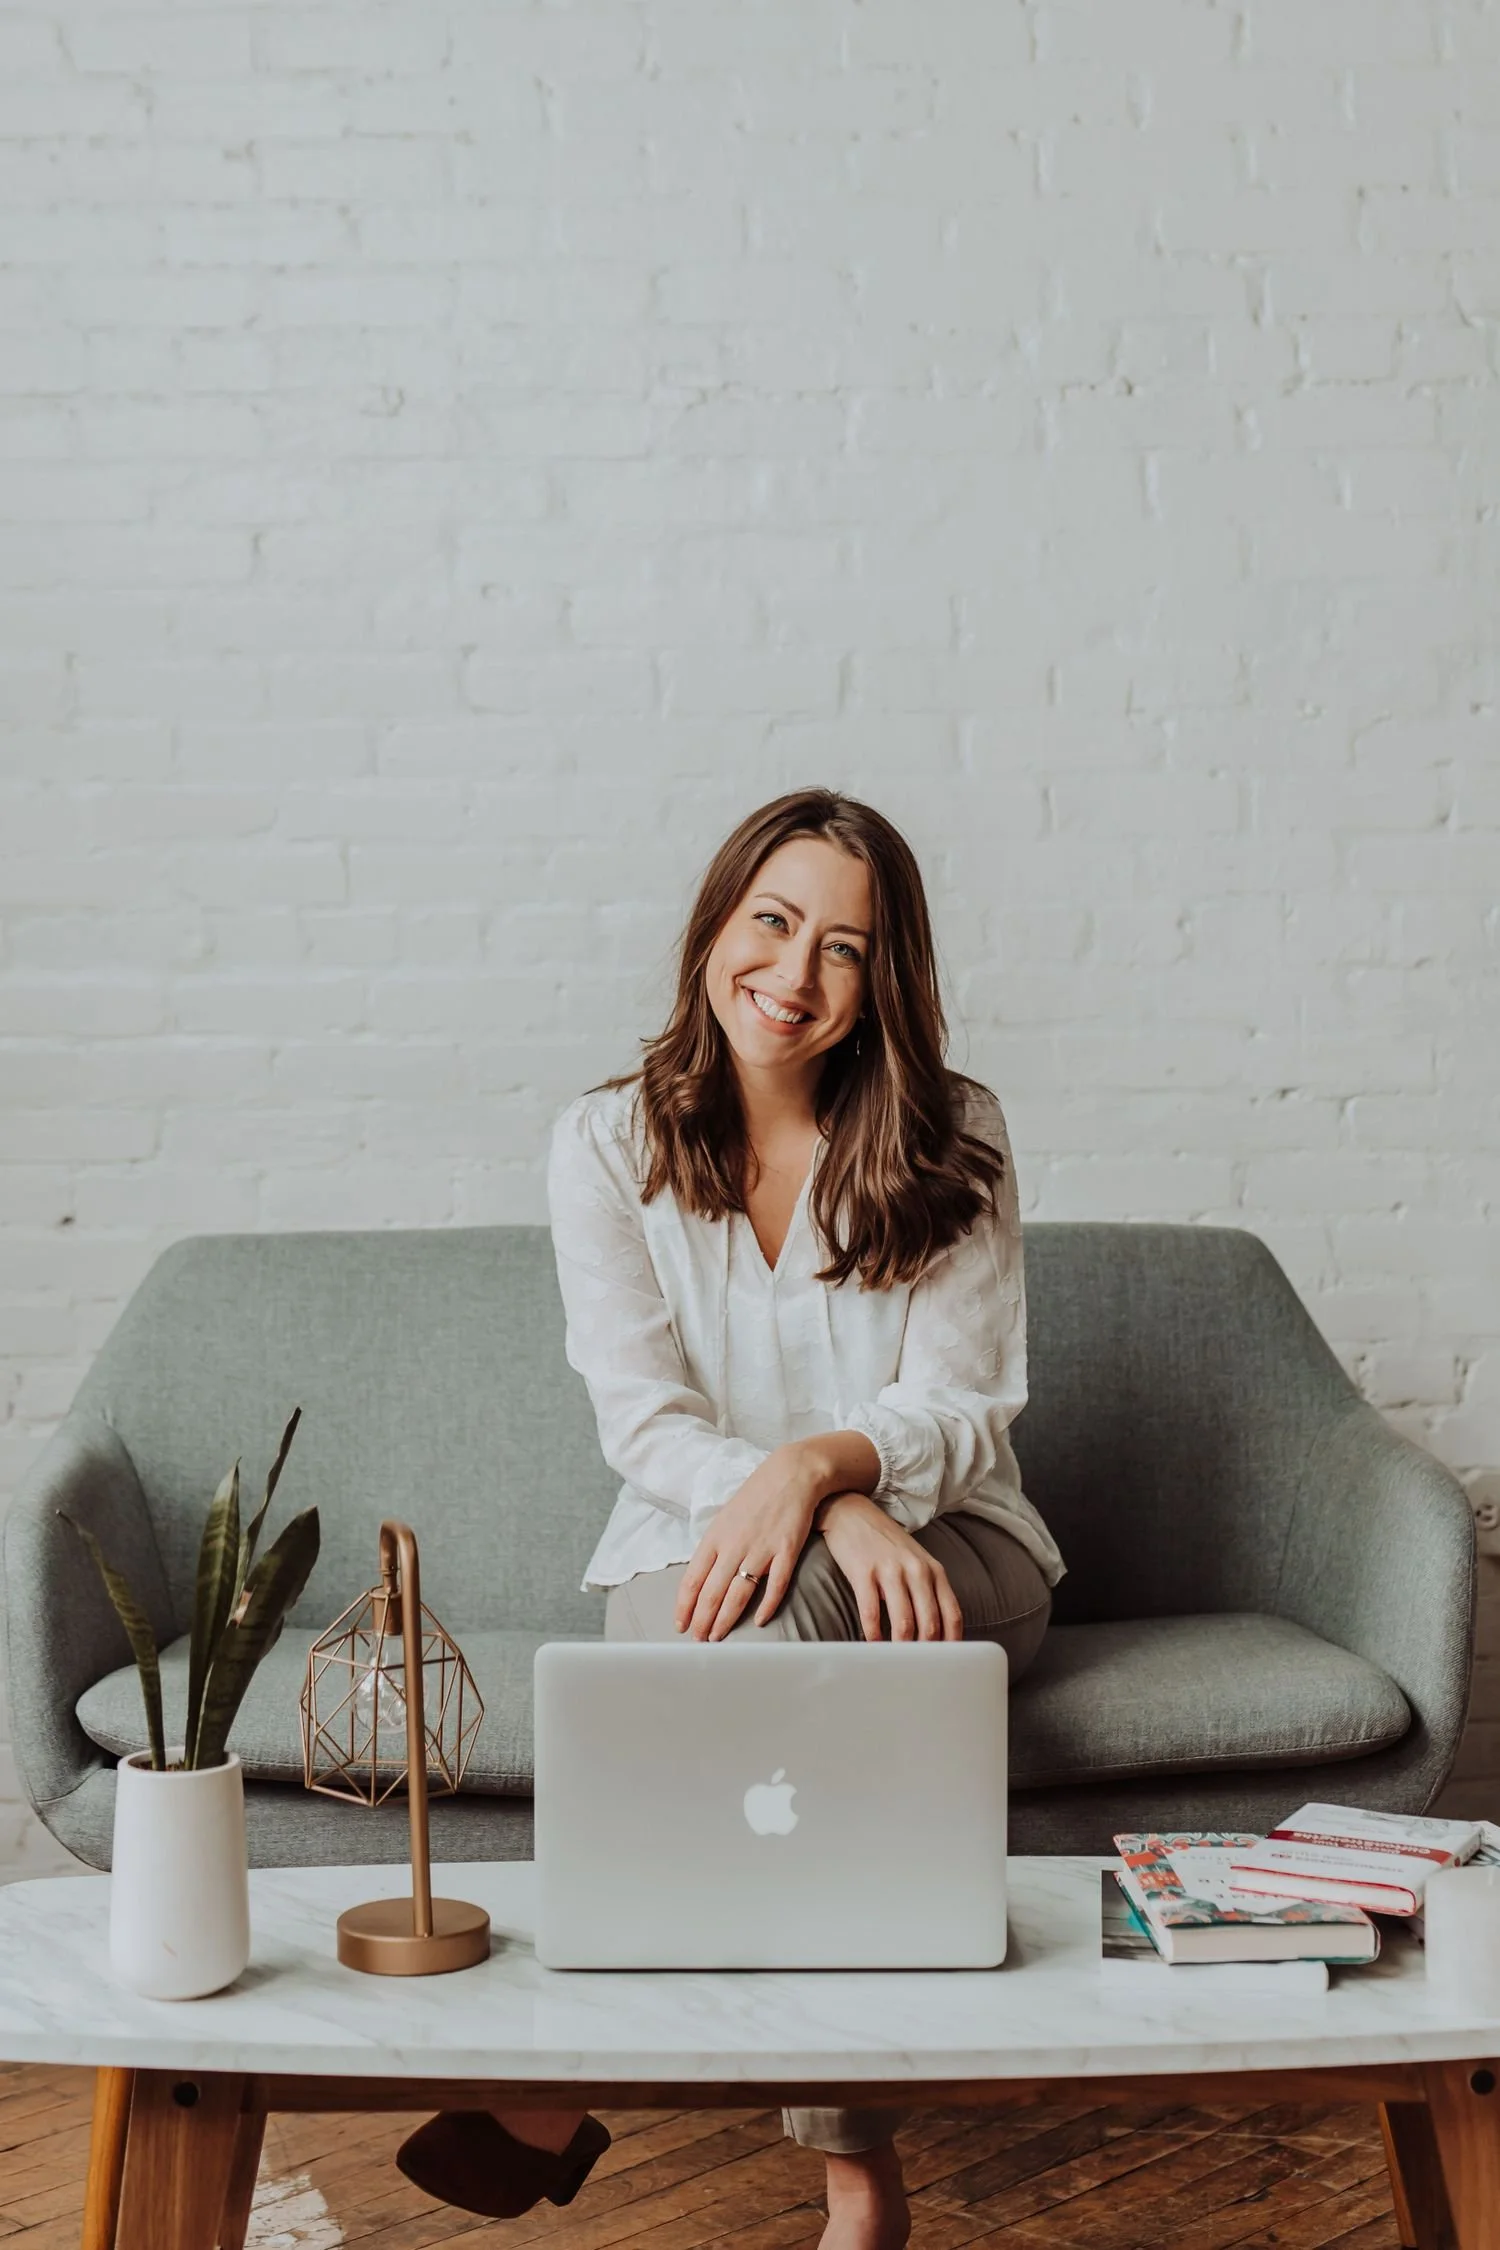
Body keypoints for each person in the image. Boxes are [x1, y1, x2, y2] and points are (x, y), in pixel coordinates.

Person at [397, 787, 1065, 2250]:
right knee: (749, 1635)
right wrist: (815, 1509)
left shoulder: (961, 1134)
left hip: (959, 1538)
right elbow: (641, 1422)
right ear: (714, 924)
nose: (796, 974)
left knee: (773, 1642)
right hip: (687, 1547)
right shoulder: (602, 1143)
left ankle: (606, 2095)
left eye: (844, 945)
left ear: (883, 977)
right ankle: (858, 2167)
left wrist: (824, 1466)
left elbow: (964, 1407)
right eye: (772, 921)